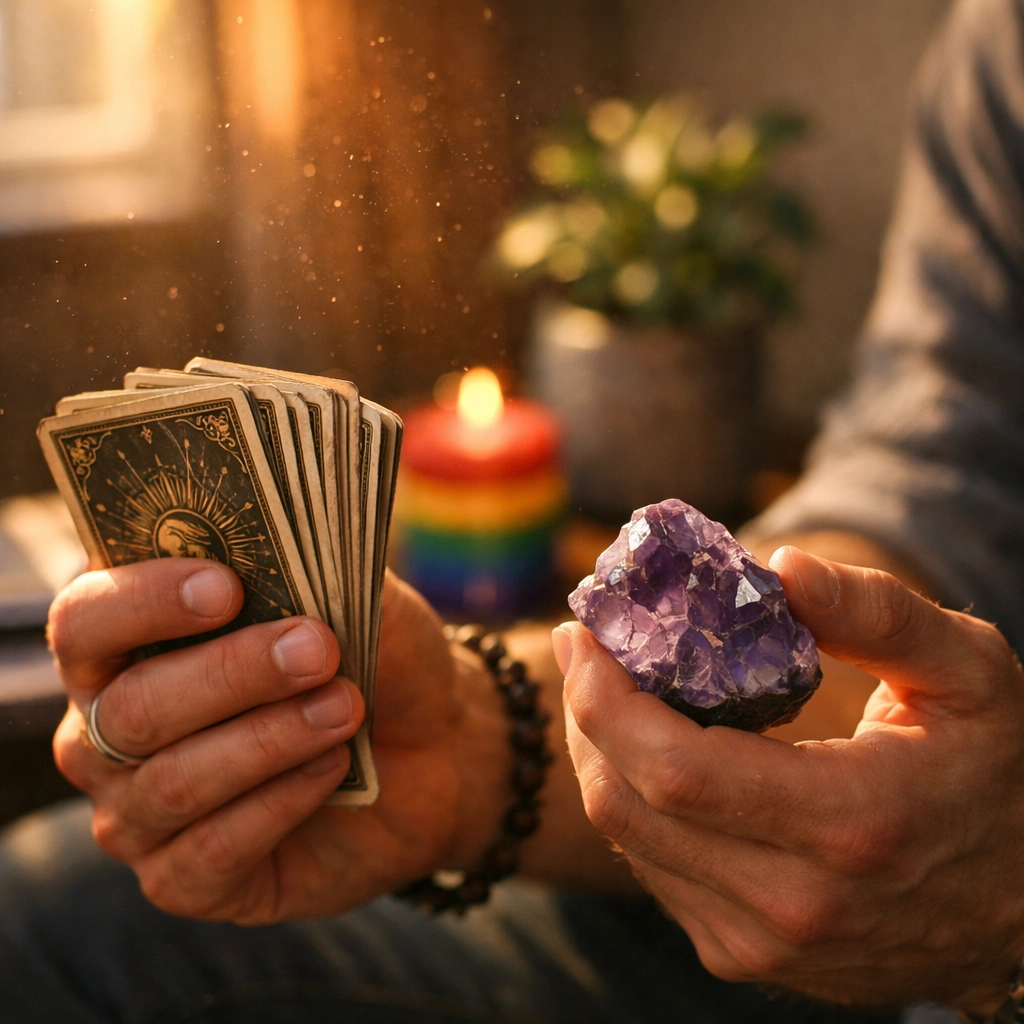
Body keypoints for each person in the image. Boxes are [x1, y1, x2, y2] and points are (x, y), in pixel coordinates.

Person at [2, 0, 1024, 1021]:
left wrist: (1004, 920)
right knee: (42, 908)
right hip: (844, 888)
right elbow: (937, 487)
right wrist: (470, 733)